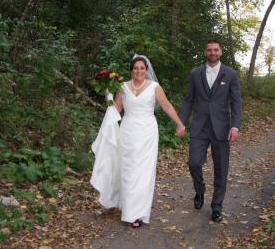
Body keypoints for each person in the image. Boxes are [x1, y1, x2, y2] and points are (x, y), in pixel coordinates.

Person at [91, 55, 185, 228]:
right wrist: (108, 96)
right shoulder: (122, 87)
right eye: (136, 68)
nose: (139, 71)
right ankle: (126, 206)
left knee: (143, 173)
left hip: (147, 132)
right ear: (131, 70)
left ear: (146, 70)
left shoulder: (155, 87)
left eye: (142, 68)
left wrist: (179, 123)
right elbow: (117, 109)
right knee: (127, 170)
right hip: (127, 132)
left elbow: (167, 106)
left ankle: (137, 214)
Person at [179, 39, 242, 222]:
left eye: (216, 50)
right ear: (205, 53)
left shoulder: (230, 74)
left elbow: (236, 102)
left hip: (222, 128)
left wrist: (235, 126)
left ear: (220, 52)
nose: (213, 52)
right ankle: (199, 191)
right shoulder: (195, 74)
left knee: (221, 168)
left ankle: (217, 206)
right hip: (199, 126)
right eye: (209, 50)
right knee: (194, 163)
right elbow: (189, 100)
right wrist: (181, 122)